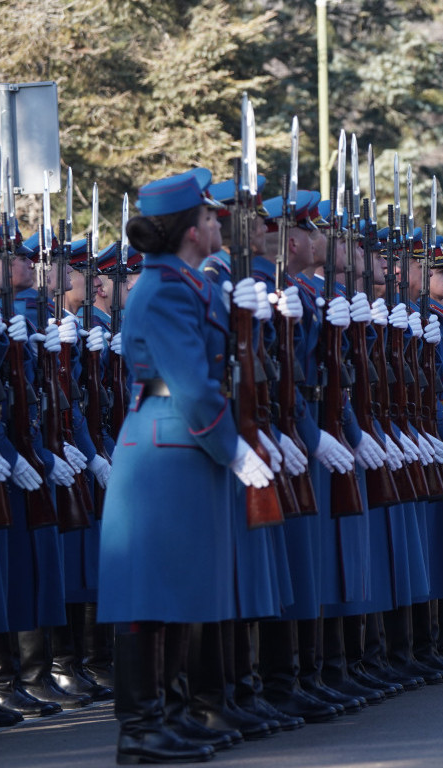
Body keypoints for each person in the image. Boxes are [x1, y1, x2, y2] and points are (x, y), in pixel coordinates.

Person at [98, 169, 276, 764]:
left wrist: (239, 309)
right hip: (168, 445)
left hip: (181, 445)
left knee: (177, 592)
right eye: (207, 217)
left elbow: (215, 358)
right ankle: (141, 728)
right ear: (190, 232)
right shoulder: (166, 288)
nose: (216, 223)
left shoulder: (182, 282)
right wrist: (234, 448)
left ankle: (170, 714)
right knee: (149, 594)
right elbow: (192, 385)